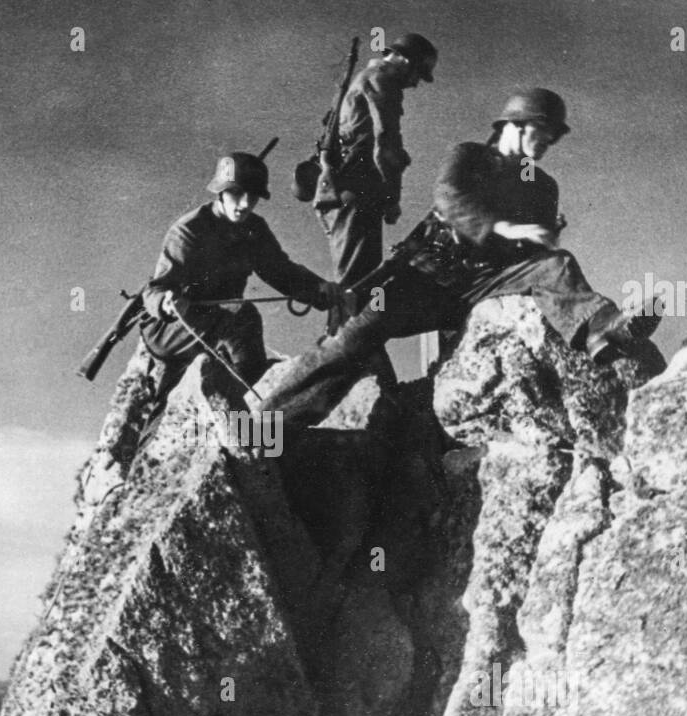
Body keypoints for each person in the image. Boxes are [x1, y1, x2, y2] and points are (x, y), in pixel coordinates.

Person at [259, 88, 660, 425]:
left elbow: (535, 252)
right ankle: (268, 423)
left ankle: (604, 331)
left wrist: (542, 240)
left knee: (557, 265)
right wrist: (504, 228)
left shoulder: (541, 186)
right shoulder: (469, 157)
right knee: (355, 338)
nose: (548, 143)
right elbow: (450, 200)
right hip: (423, 277)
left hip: (485, 284)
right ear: (515, 126)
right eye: (543, 132)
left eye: (553, 137)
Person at [139, 151, 350, 406]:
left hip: (218, 328)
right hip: (171, 330)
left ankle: (250, 400)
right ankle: (250, 406)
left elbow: (280, 271)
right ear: (220, 192)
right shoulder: (189, 231)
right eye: (236, 193)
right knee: (243, 316)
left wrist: (320, 289)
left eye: (253, 197)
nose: (244, 204)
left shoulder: (255, 229)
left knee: (240, 325)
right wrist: (166, 303)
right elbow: (156, 289)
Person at [317, 31, 438, 313]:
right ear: (404, 61)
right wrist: (392, 198)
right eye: (418, 74)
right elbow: (386, 144)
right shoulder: (383, 80)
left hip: (351, 191)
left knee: (359, 280)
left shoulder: (369, 77)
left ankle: (352, 344)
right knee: (356, 283)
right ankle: (342, 348)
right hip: (358, 192)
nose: (416, 83)